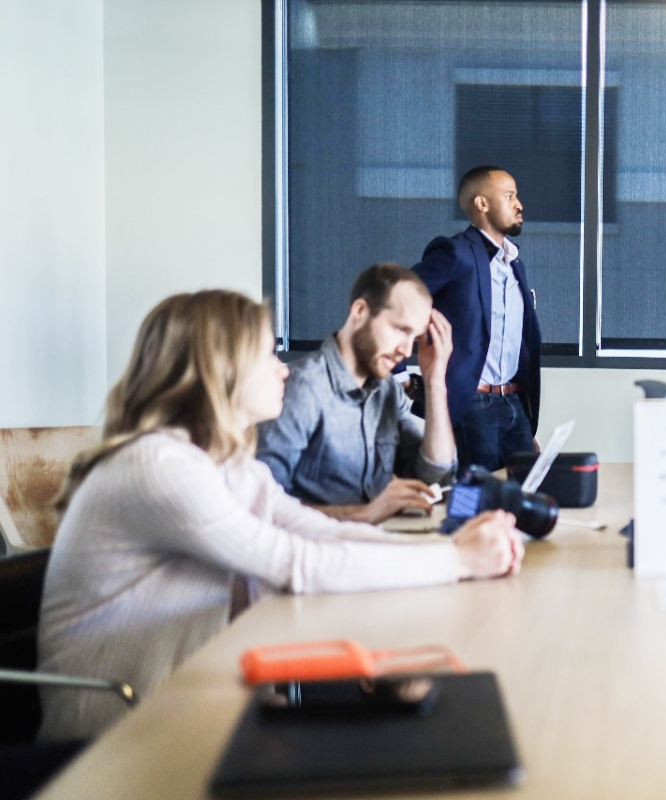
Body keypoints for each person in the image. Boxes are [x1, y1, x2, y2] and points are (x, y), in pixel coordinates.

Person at [37, 290, 523, 742]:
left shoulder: (226, 466)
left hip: (186, 704)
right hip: (116, 738)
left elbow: (322, 533)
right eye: (268, 355)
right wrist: (456, 561)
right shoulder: (158, 465)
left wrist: (450, 552)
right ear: (221, 367)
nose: (283, 370)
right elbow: (297, 564)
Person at [257, 263, 454, 523]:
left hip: (372, 539)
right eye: (400, 330)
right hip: (316, 545)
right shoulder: (302, 388)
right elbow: (261, 505)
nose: (407, 351)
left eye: (415, 339)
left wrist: (435, 382)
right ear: (360, 311)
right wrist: (363, 514)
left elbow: (434, 476)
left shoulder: (388, 390)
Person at [412, 166, 542, 475]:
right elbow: (393, 298)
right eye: (509, 196)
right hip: (473, 404)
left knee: (524, 492)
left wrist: (522, 413)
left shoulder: (514, 264)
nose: (519, 204)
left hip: (514, 404)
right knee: (473, 495)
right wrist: (400, 376)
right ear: (482, 203)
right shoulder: (455, 253)